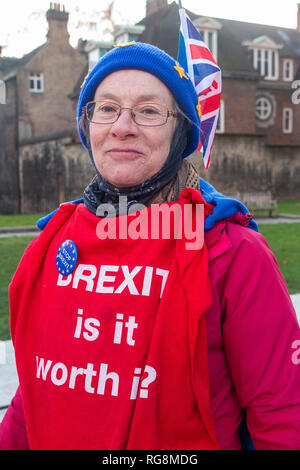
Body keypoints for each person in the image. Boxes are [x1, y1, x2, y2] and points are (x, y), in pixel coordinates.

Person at [0, 42, 299, 451]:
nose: (123, 126)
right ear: (89, 127)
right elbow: (31, 397)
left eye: (148, 110)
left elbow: (282, 413)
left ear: (181, 133)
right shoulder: (54, 241)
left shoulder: (232, 252)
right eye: (106, 108)